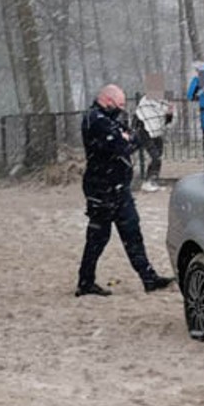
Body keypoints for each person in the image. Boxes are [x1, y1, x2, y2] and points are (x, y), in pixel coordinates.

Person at [76, 85, 175, 297]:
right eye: (120, 104)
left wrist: (128, 137)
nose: (122, 109)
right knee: (98, 237)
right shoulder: (96, 120)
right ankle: (85, 282)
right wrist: (128, 139)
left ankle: (149, 278)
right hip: (101, 188)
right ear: (107, 100)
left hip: (118, 187)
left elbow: (129, 138)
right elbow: (122, 146)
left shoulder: (109, 120)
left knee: (132, 232)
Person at [131, 94, 174, 192]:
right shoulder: (146, 101)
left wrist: (169, 114)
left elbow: (166, 121)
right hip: (143, 129)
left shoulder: (164, 103)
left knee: (158, 155)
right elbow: (139, 116)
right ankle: (147, 181)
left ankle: (151, 180)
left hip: (156, 131)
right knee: (154, 155)